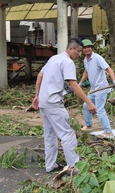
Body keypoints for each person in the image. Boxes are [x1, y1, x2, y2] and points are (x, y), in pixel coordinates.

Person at [31, 38, 97, 173]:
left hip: (44, 101)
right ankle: (73, 166)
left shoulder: (54, 58)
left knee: (50, 134)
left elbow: (40, 76)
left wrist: (37, 96)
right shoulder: (67, 62)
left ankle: (51, 165)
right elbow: (73, 84)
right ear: (70, 49)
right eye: (78, 51)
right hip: (54, 103)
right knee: (68, 134)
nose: (79, 55)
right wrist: (89, 102)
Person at [78, 39, 115, 138]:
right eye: (84, 48)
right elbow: (86, 72)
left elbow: (108, 68)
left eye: (89, 47)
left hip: (101, 88)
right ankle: (89, 125)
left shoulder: (97, 58)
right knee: (85, 105)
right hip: (93, 89)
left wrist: (114, 81)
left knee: (100, 110)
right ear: (82, 50)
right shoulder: (85, 60)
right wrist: (80, 83)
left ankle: (108, 132)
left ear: (92, 48)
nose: (87, 49)